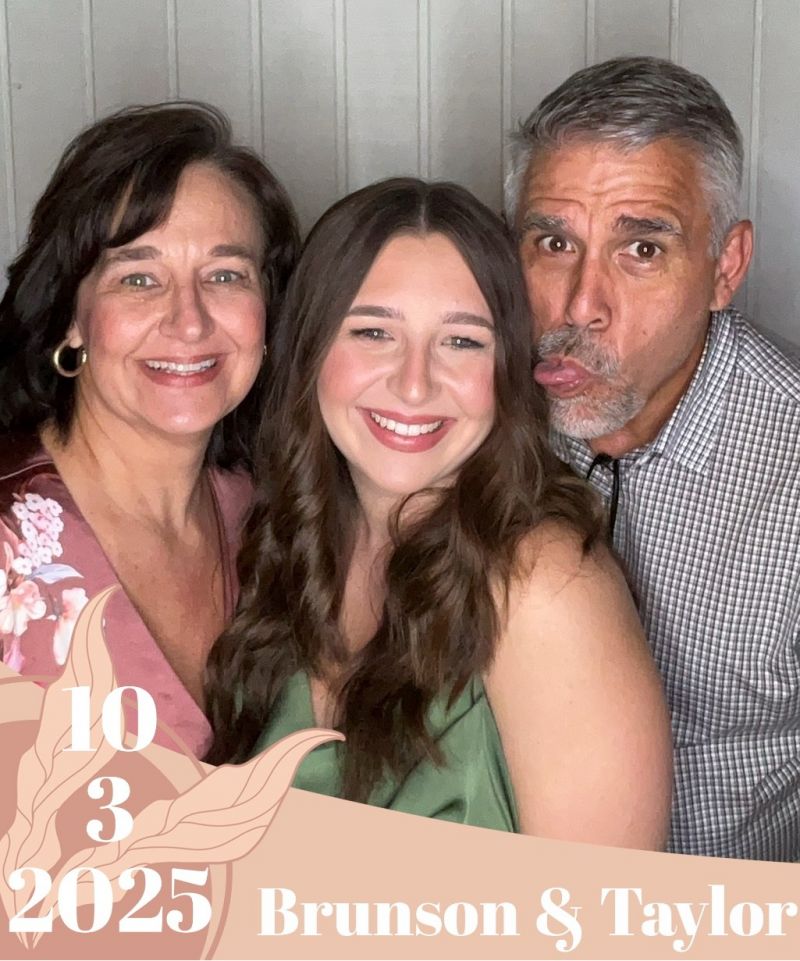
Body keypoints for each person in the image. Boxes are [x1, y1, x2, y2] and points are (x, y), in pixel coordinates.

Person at [204, 177, 672, 844]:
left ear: (506, 371)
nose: (415, 382)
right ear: (308, 350)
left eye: (462, 341)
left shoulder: (546, 588)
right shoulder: (279, 542)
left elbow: (607, 922)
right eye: (373, 331)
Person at [506, 56, 800, 860]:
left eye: (642, 249)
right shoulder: (468, 417)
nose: (580, 304)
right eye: (554, 240)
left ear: (726, 268)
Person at [0, 101, 299, 757]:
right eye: (139, 276)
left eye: (225, 274)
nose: (188, 321)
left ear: (269, 312)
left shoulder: (275, 522)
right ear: (71, 316)